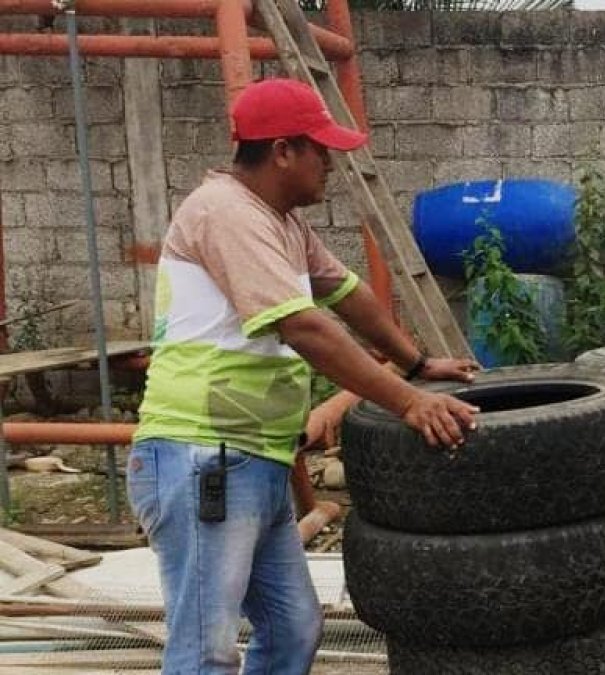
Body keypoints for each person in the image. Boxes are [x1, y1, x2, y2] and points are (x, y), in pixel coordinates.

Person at [127, 78, 480, 674]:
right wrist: (408, 401)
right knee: (205, 648)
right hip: (201, 455)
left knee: (293, 628)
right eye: (322, 151)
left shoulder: (282, 222)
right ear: (283, 150)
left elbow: (348, 295)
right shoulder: (224, 213)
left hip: (253, 455)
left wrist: (418, 364)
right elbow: (305, 328)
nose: (332, 166)